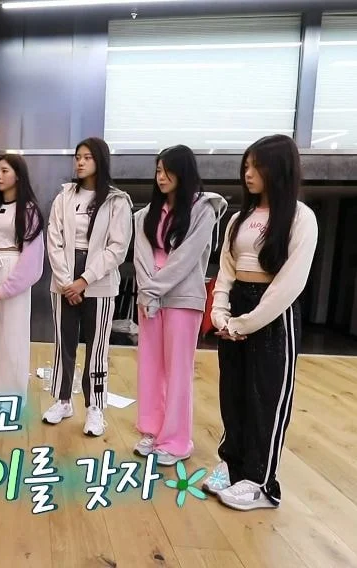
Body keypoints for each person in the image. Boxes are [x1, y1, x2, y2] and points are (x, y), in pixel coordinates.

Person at [203, 134, 319, 511]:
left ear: (278, 169)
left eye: (257, 166)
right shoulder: (239, 219)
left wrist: (245, 323)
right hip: (237, 307)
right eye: (246, 166)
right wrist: (220, 313)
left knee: (266, 396)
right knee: (233, 392)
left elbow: (289, 284)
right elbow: (226, 270)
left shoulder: (301, 218)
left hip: (273, 315)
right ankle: (232, 464)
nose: (248, 173)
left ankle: (260, 482)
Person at [131, 145, 227, 465]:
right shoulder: (145, 215)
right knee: (150, 366)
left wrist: (153, 289)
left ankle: (176, 441)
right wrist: (148, 292)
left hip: (182, 300)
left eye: (167, 170)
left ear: (183, 172)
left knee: (178, 372)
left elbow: (186, 259)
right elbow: (141, 256)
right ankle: (152, 430)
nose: (161, 177)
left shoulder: (203, 210)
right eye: (158, 170)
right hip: (150, 299)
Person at [42, 137, 133, 437]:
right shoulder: (64, 196)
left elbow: (117, 248)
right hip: (64, 280)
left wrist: (84, 280)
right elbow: (54, 239)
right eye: (77, 157)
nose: (80, 162)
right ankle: (63, 400)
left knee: (97, 347)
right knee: (64, 343)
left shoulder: (117, 200)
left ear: (100, 161)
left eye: (87, 157)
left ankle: (95, 407)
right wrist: (66, 281)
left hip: (99, 282)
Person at [0, 154, 46, 414]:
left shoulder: (30, 210)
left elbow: (32, 256)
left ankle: (12, 396)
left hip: (14, 276)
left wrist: (6, 289)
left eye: (5, 171)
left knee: (14, 336)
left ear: (18, 175)